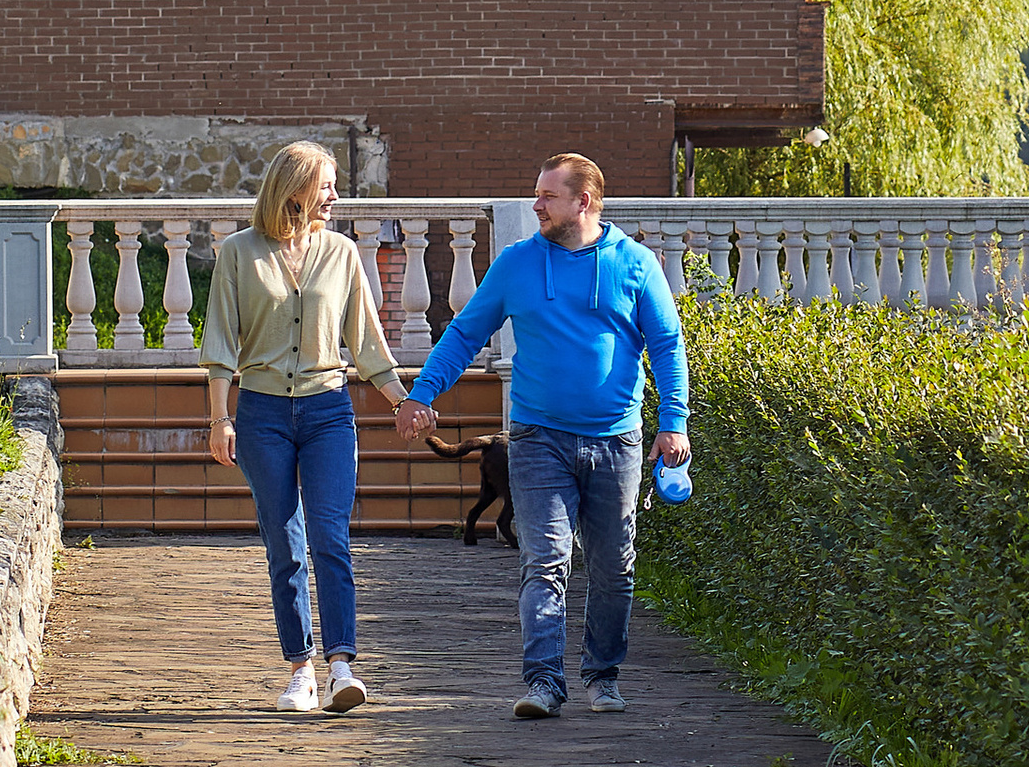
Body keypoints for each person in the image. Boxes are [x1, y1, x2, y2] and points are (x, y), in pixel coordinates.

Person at [403, 153, 689, 720]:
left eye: (547, 197)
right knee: (545, 560)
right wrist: (422, 393)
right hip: (536, 440)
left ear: (583, 202)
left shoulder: (635, 264)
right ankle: (543, 682)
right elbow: (465, 332)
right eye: (536, 195)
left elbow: (667, 345)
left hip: (618, 442)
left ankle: (602, 676)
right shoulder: (516, 264)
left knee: (613, 566)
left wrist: (674, 421)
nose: (536, 205)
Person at [203, 140, 421, 716]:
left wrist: (404, 399)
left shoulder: (344, 253)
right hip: (261, 415)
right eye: (325, 185)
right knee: (285, 542)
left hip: (328, 411)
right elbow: (221, 345)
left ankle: (341, 666)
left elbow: (368, 343)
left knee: (331, 537)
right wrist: (219, 417)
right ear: (293, 187)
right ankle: (299, 670)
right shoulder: (239, 253)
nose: (333, 196)